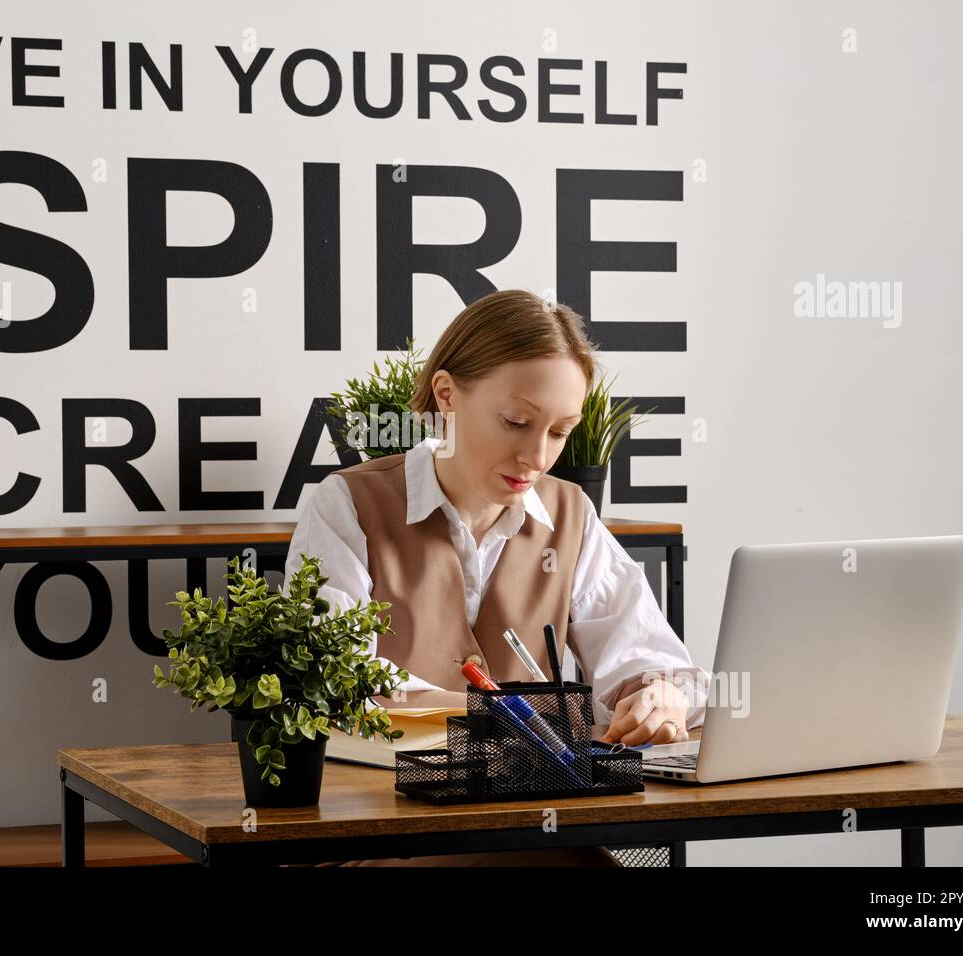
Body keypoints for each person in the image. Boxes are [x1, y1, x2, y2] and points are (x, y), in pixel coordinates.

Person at [282, 289, 712, 867]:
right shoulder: (348, 505)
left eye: (560, 432)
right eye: (516, 422)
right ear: (447, 396)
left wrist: (659, 694)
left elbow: (644, 656)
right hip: (378, 830)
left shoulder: (572, 515)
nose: (537, 456)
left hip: (531, 829)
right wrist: (489, 715)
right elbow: (332, 677)